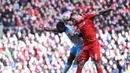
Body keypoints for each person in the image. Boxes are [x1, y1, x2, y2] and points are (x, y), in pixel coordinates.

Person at [62, 5, 115, 73]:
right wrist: (69, 25)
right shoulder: (77, 24)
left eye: (73, 19)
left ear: (77, 15)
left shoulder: (87, 16)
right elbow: (72, 33)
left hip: (94, 44)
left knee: (97, 64)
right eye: (72, 20)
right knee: (80, 64)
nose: (73, 21)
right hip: (86, 46)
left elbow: (98, 12)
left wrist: (109, 9)